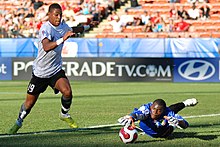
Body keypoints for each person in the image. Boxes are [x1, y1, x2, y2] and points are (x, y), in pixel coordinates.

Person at [8, 3, 95, 135]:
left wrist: (89, 26)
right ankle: (19, 121)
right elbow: (47, 46)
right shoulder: (45, 28)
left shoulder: (63, 26)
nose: (59, 17)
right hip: (40, 73)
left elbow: (74, 29)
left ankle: (64, 114)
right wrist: (62, 39)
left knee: (67, 92)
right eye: (56, 15)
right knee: (29, 104)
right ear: (49, 15)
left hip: (55, 70)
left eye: (60, 15)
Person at [118, 98, 198, 138]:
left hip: (163, 132)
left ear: (163, 110)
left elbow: (185, 125)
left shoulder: (168, 113)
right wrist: (130, 117)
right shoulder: (146, 109)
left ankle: (185, 104)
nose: (155, 112)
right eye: (153, 109)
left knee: (170, 113)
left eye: (159, 110)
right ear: (151, 106)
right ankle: (185, 103)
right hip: (150, 126)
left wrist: (178, 122)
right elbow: (137, 114)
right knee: (144, 118)